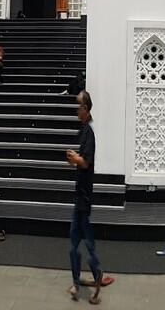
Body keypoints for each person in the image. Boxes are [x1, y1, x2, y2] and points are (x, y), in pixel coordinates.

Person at [66, 91, 103, 304]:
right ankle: (77, 281)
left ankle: (95, 275)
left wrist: (75, 158)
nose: (76, 109)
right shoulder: (85, 130)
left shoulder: (89, 131)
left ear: (86, 109)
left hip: (84, 198)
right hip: (80, 196)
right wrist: (75, 159)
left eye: (78, 106)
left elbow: (86, 162)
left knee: (85, 243)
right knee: (75, 243)